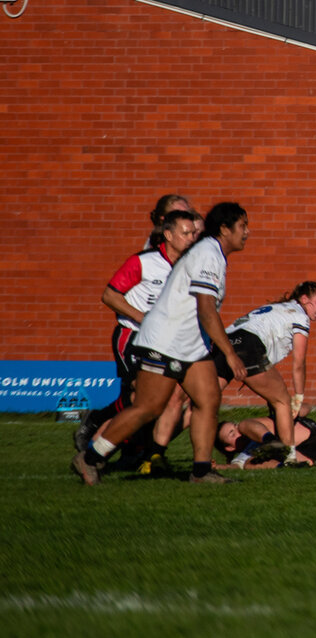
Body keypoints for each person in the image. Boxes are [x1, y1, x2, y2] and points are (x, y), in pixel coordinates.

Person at [75, 202, 253, 486]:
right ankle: (91, 457)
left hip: (190, 345)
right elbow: (206, 309)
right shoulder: (208, 253)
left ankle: (201, 470)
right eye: (243, 226)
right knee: (148, 407)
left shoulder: (214, 254)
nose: (247, 233)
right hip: (165, 341)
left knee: (208, 400)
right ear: (224, 229)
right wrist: (230, 354)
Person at [78, 196, 200, 467]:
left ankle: (140, 454)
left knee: (166, 399)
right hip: (132, 335)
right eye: (187, 233)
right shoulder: (144, 261)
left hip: (163, 342)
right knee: (138, 397)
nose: (192, 238)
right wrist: (144, 318)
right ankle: (95, 449)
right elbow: (109, 296)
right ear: (166, 232)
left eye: (194, 233)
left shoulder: (190, 267)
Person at [218, 281, 316, 457]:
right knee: (283, 401)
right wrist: (299, 396)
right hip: (248, 345)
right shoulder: (300, 316)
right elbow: (299, 362)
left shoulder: (277, 308)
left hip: (225, 340)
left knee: (201, 404)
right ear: (304, 299)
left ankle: (161, 450)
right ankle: (289, 456)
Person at [215, 414, 316, 469]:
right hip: (306, 452)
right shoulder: (243, 456)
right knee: (249, 464)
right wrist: (218, 467)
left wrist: (295, 408)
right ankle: (290, 465)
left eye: (236, 426)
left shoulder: (255, 428)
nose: (239, 432)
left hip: (301, 429)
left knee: (245, 424)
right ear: (230, 448)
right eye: (233, 434)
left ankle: (271, 442)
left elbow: (306, 406)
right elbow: (234, 467)